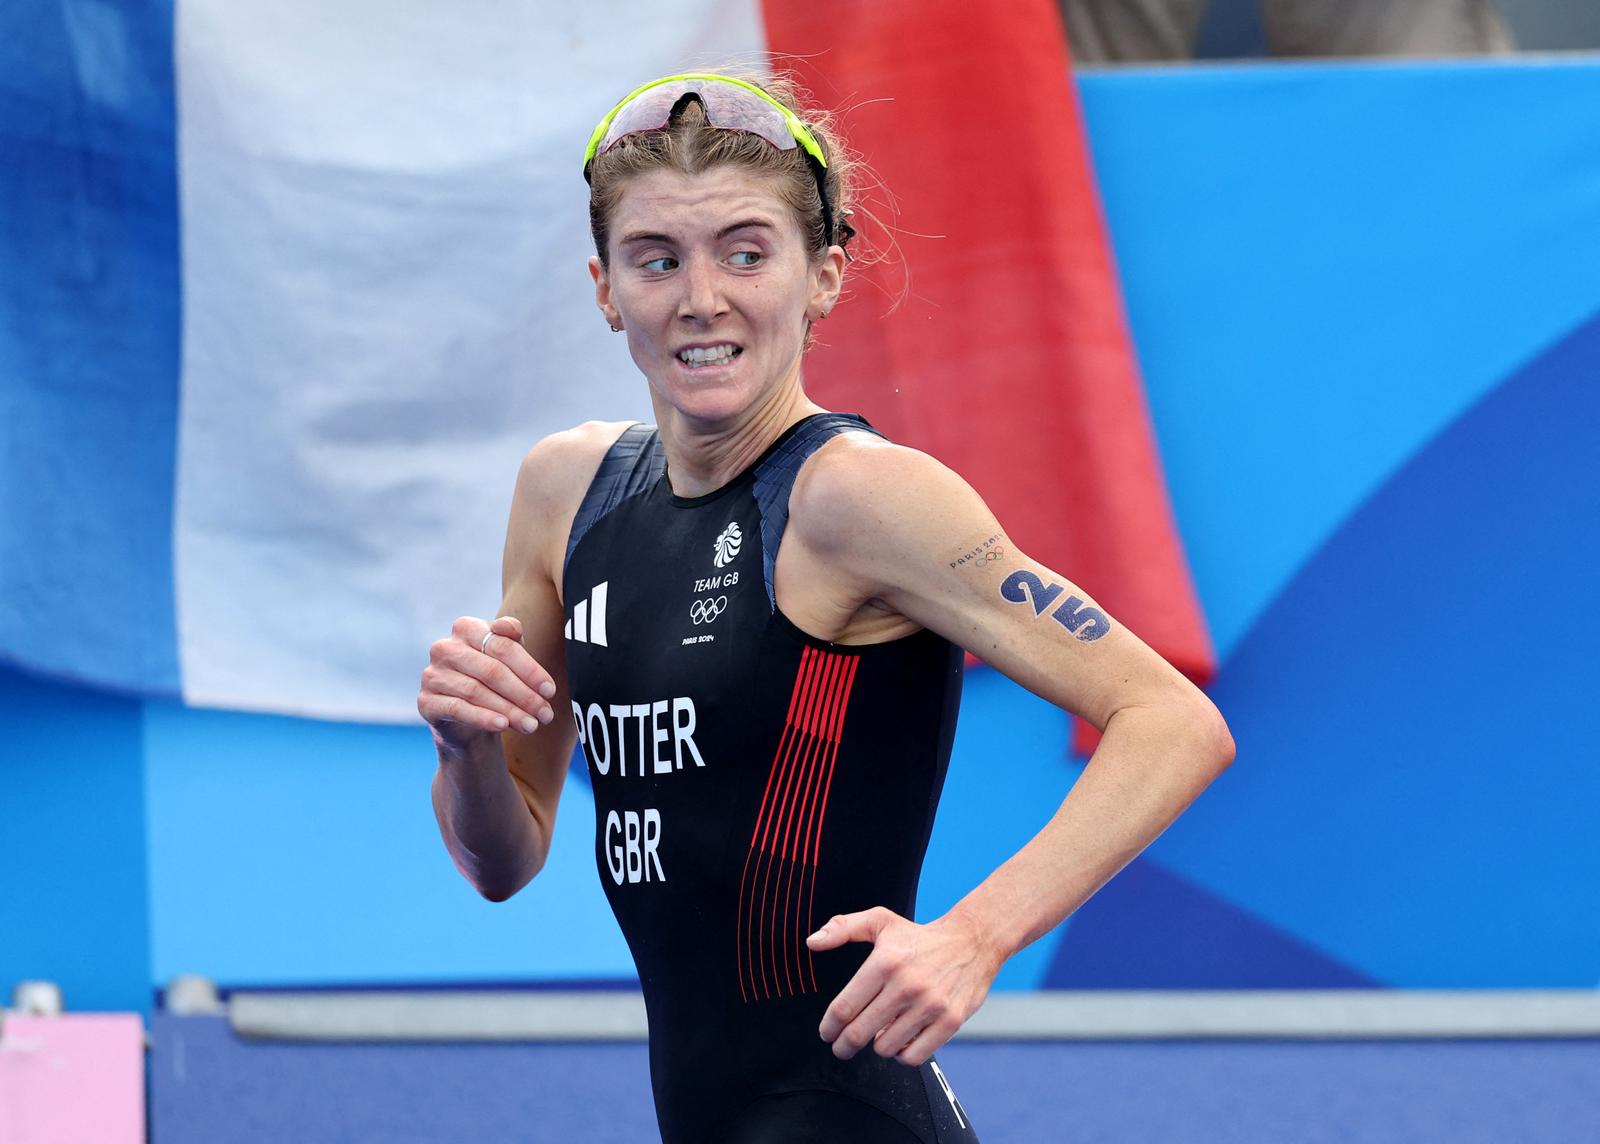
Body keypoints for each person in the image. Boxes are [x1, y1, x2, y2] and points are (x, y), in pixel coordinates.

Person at [419, 71, 1235, 1143]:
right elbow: (502, 861)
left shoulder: (858, 497)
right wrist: (469, 750)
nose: (700, 297)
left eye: (745, 253)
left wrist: (974, 937)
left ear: (824, 277)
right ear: (606, 287)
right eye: (656, 259)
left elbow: (1173, 721)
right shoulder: (564, 493)